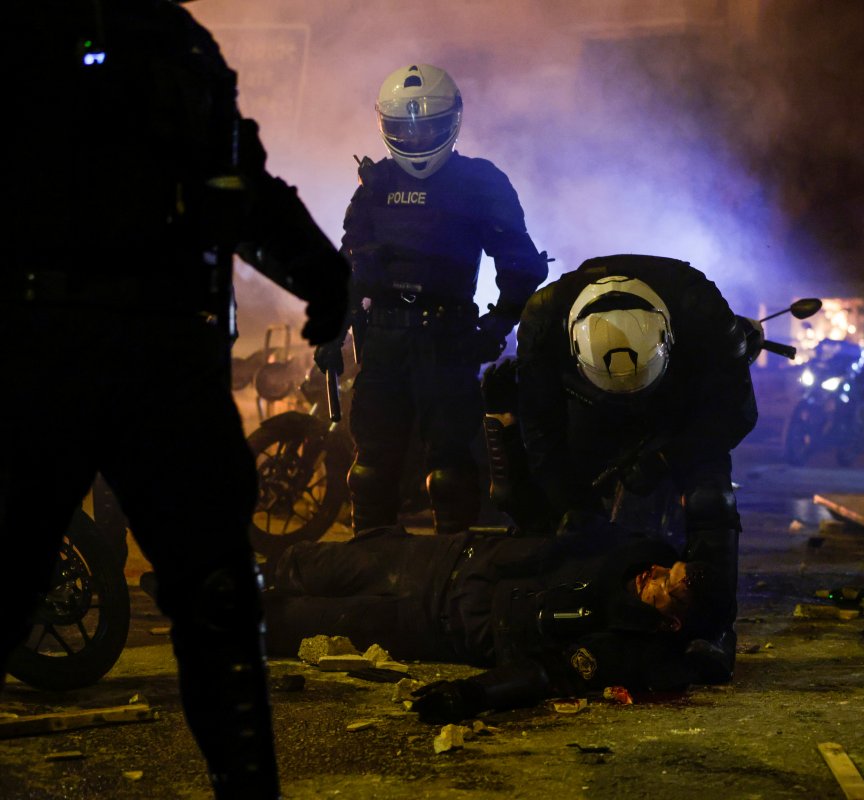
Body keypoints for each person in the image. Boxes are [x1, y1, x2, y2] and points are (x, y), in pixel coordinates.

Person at [1, 3, 350, 798]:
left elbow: (234, 181)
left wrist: (320, 273)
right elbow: (238, 186)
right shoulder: (163, 41)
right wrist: (320, 274)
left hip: (98, 356)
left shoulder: (161, 40)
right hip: (124, 356)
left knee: (214, 599)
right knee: (214, 602)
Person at [314, 63, 548, 536]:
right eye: (405, 129)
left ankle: (452, 576)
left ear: (452, 122)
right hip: (385, 346)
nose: (417, 140)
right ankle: (374, 569)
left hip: (446, 342)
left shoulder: (479, 181)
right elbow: (348, 267)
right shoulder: (374, 185)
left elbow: (520, 264)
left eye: (429, 128)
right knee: (371, 469)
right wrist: (332, 332)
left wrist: (497, 326)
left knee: (448, 469)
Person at [514, 254, 757, 682]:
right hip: (590, 410)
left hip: (680, 410)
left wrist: (669, 456)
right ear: (573, 346)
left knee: (710, 495)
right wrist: (570, 501)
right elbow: (539, 430)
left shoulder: (701, 307)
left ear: (668, 336)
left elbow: (736, 413)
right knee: (562, 510)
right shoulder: (542, 317)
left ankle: (713, 629)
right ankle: (565, 611)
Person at [262, 522, 718, 723]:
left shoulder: (627, 644)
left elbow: (547, 673)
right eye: (665, 569)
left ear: (672, 623)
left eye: (666, 589)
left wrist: (474, 693)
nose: (653, 575)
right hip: (438, 559)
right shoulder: (627, 548)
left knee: (286, 623)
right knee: (300, 564)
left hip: (435, 622)